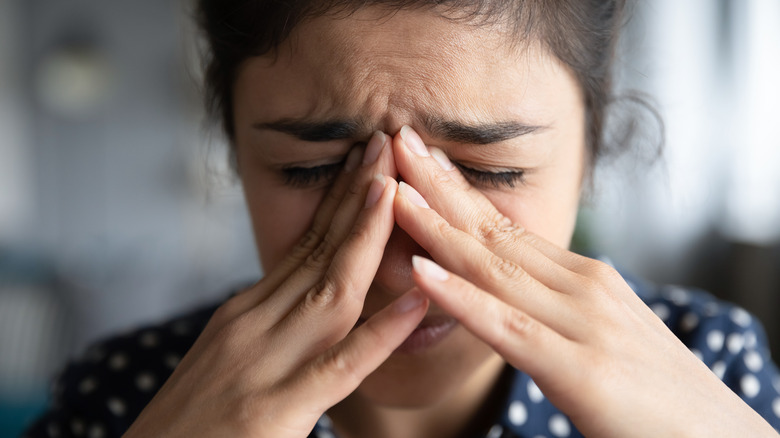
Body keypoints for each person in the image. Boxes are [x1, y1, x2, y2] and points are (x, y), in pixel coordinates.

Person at [24, 1, 780, 437]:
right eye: (312, 170)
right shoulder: (129, 396)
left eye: (490, 173)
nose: (401, 259)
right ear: (234, 148)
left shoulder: (711, 366)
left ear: (591, 145)